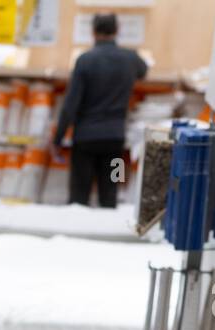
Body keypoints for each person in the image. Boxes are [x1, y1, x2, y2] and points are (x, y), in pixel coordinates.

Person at [53, 13, 148, 207]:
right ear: (117, 30)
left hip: (84, 141)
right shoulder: (130, 58)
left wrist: (57, 139)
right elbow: (144, 70)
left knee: (78, 196)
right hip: (116, 141)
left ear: (93, 32)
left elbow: (71, 105)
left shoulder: (84, 60)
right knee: (113, 191)